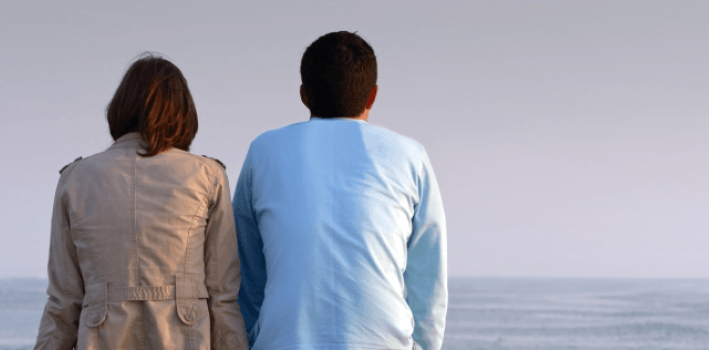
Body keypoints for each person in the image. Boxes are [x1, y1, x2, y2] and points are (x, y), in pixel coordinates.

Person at [234, 31, 448, 350]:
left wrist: (252, 341)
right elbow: (428, 276)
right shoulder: (410, 156)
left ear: (304, 95)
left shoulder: (263, 151)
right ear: (372, 96)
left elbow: (247, 273)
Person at [34, 54, 248, 350]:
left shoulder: (76, 178)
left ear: (121, 108)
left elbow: (63, 302)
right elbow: (222, 296)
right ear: (184, 111)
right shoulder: (207, 175)